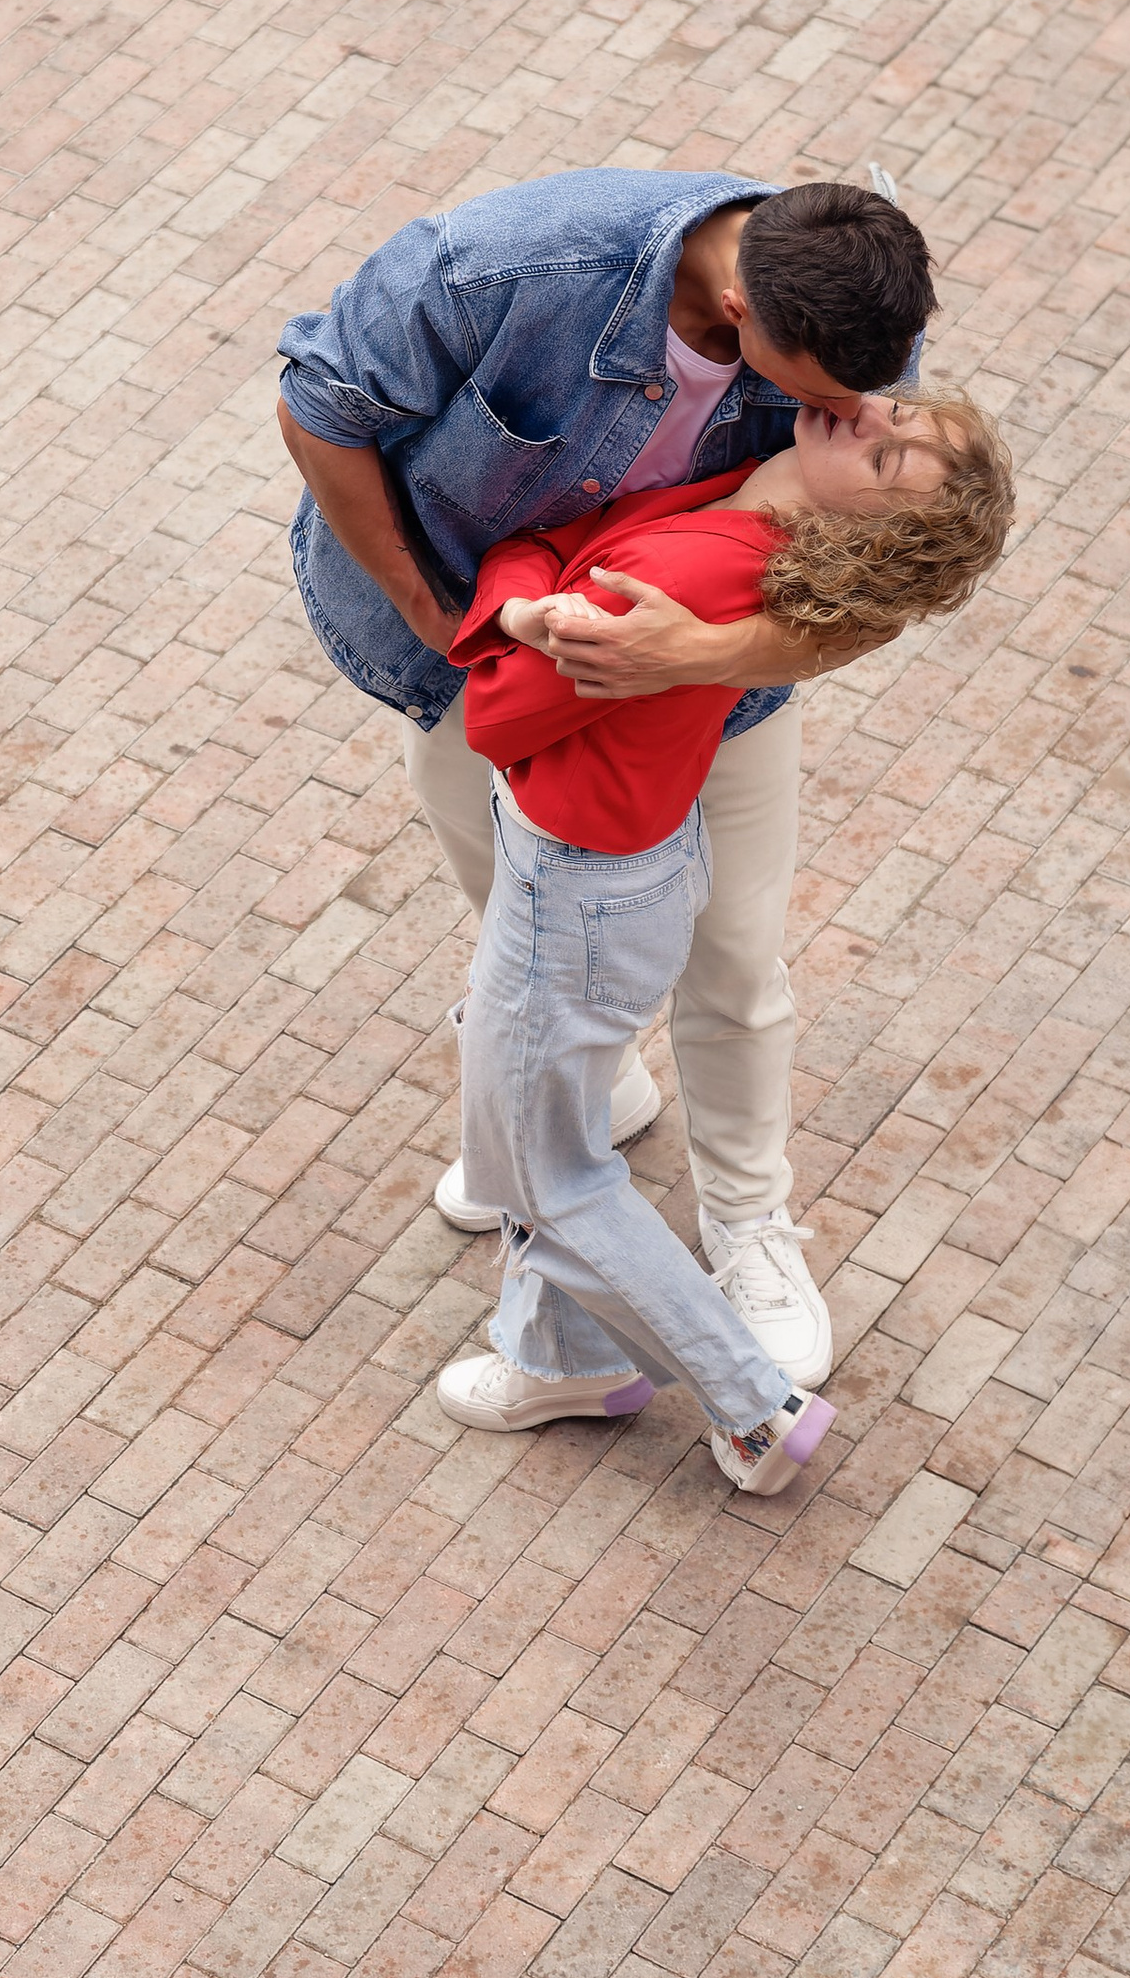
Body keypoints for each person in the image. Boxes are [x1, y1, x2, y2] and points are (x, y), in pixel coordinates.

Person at [278, 171, 935, 1388]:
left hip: (721, 683)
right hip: (480, 655)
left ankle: (746, 1221)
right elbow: (320, 405)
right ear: (739, 305)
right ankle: (588, 1115)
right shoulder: (503, 270)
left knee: (733, 953)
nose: (856, 413)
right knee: (516, 925)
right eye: (822, 390)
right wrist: (436, 619)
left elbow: (891, 582)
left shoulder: (853, 314)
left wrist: (694, 653)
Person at [438, 391, 1014, 1473]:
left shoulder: (702, 568)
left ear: (867, 529)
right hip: (611, 869)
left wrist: (517, 599)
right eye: (899, 415)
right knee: (522, 1114)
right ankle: (562, 1356)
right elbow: (546, 547)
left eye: (889, 459)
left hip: (579, 884)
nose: (869, 420)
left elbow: (497, 710)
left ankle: (753, 1408)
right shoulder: (739, 498)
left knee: (546, 1169)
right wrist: (530, 597)